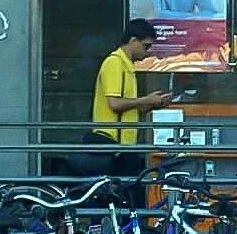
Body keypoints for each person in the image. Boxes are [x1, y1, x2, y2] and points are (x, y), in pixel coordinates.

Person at [65, 19, 171, 178]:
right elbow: (114, 104)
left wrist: (154, 104)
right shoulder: (114, 63)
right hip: (112, 144)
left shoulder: (128, 66)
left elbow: (129, 107)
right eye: (146, 46)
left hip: (124, 144)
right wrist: (146, 100)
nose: (148, 51)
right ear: (133, 40)